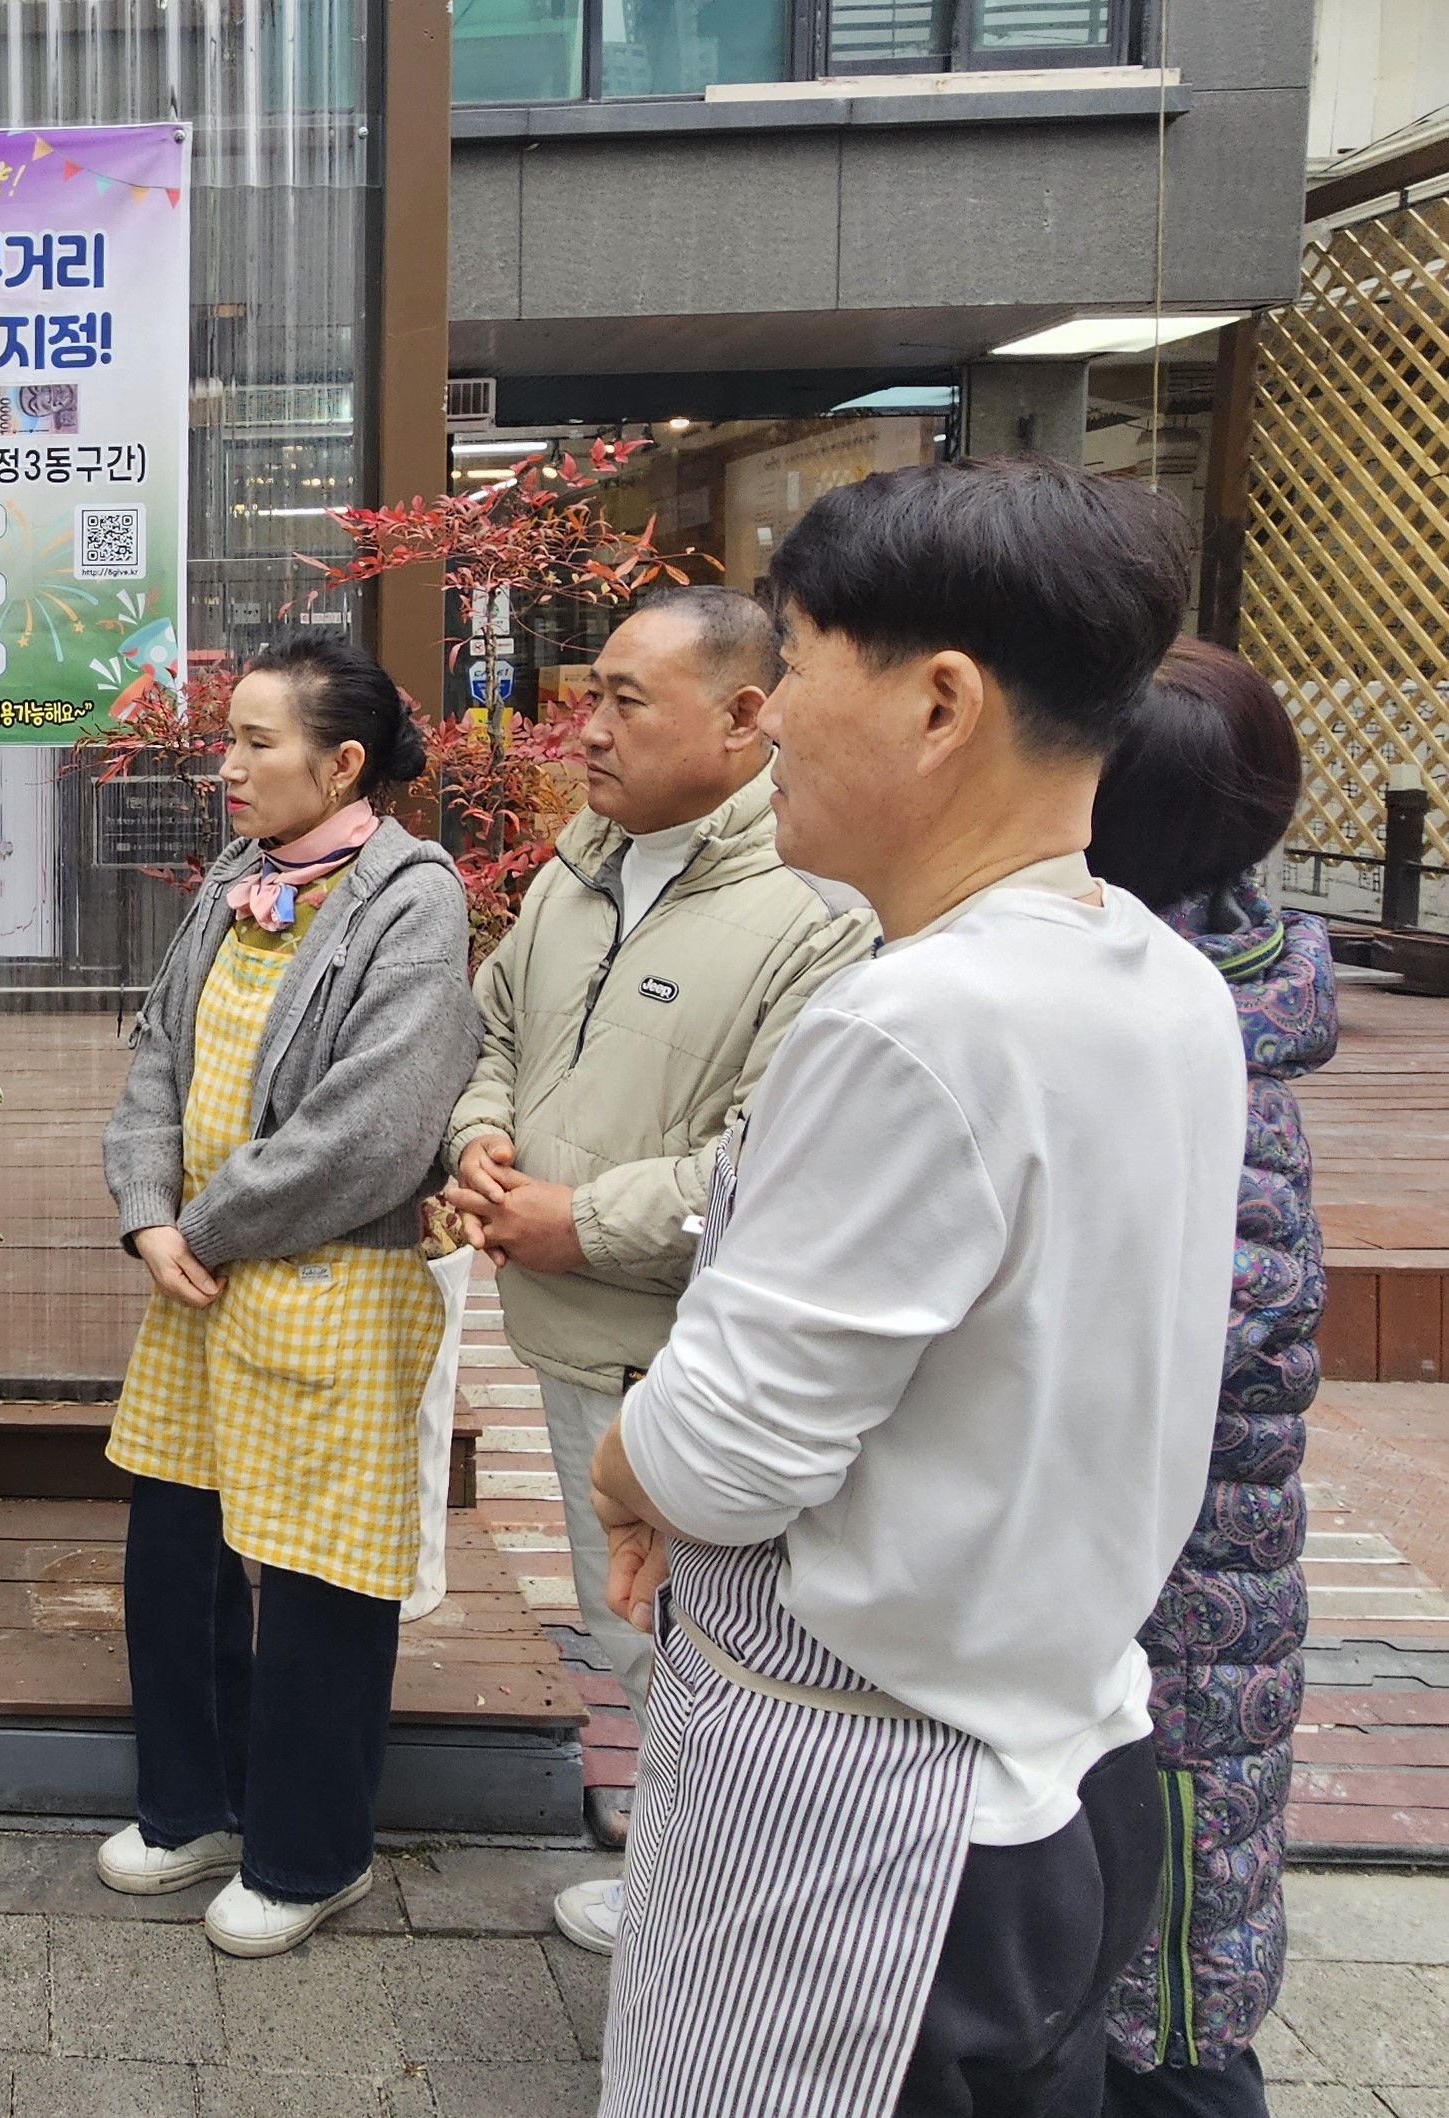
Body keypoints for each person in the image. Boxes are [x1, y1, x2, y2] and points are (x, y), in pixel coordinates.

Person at [584, 458, 1246, 2117]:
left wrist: (625, 1463)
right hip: (1070, 1763)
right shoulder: (1157, 975)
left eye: (798, 662)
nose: (775, 715)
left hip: (872, 1825)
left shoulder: (918, 1022)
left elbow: (731, 1449)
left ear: (942, 702)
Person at [436, 585, 874, 1907]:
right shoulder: (583, 868)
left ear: (748, 715)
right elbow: (493, 1024)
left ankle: (734, 1903)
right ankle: (689, 1883)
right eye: (591, 695)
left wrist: (578, 1220)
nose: (589, 728)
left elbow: (779, 1157)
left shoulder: (820, 913)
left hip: (691, 1354)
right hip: (579, 1346)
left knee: (721, 1641)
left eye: (628, 699)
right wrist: (480, 1136)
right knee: (628, 1624)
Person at [99, 634, 480, 1958]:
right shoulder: (238, 877)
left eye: (259, 741)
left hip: (333, 1281)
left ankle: (313, 1850)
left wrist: (200, 1220)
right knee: (175, 1547)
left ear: (345, 762)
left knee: (322, 1576)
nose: (230, 765)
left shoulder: (411, 898)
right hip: (195, 1279)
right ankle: (192, 1801)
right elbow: (156, 1045)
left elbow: (374, 1131)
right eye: (233, 737)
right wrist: (147, 1210)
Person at [1093, 641, 1336, 2118]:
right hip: (1145, 1618)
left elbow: (1163, 1342)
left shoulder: (1194, 1049)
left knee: (1174, 1999)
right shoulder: (1199, 986)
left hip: (1181, 1638)